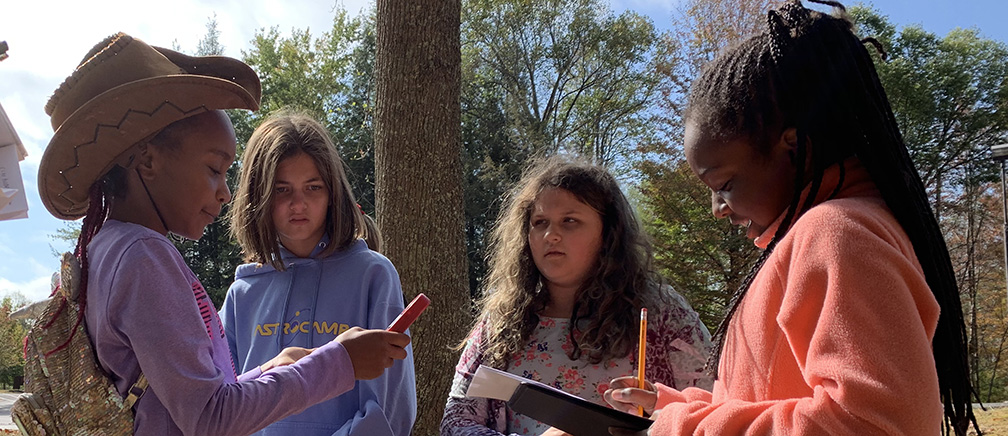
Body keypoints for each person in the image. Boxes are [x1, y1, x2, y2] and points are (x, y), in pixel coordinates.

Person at [603, 1, 979, 435]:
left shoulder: (838, 233)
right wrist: (666, 406)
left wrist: (683, 428)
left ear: (795, 145)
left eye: (723, 184)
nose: (717, 209)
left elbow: (876, 423)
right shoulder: (814, 238)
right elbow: (770, 398)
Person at [36, 32, 410, 436]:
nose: (225, 191)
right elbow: (211, 417)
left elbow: (184, 400)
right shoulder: (145, 256)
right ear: (147, 160)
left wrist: (269, 369)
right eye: (215, 168)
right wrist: (339, 362)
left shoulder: (108, 247)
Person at [441, 155, 713, 436]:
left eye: (569, 221)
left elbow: (710, 404)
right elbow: (456, 423)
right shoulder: (501, 320)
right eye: (540, 222)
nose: (550, 235)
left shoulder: (661, 311)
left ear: (608, 234)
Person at [221, 111, 416, 436]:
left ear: (332, 194)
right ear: (259, 197)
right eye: (282, 190)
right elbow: (224, 404)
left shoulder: (374, 276)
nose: (298, 204)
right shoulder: (242, 293)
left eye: (313, 187)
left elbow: (391, 410)